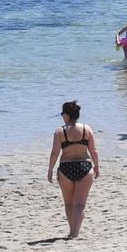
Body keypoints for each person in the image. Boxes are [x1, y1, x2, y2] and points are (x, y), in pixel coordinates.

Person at [47, 100, 101, 239]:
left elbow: (54, 153)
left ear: (66, 115)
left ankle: (72, 231)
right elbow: (93, 151)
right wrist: (96, 166)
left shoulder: (60, 131)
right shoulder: (86, 129)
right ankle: (75, 233)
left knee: (69, 203)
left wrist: (50, 169)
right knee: (80, 204)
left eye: (62, 113)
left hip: (66, 168)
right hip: (84, 166)